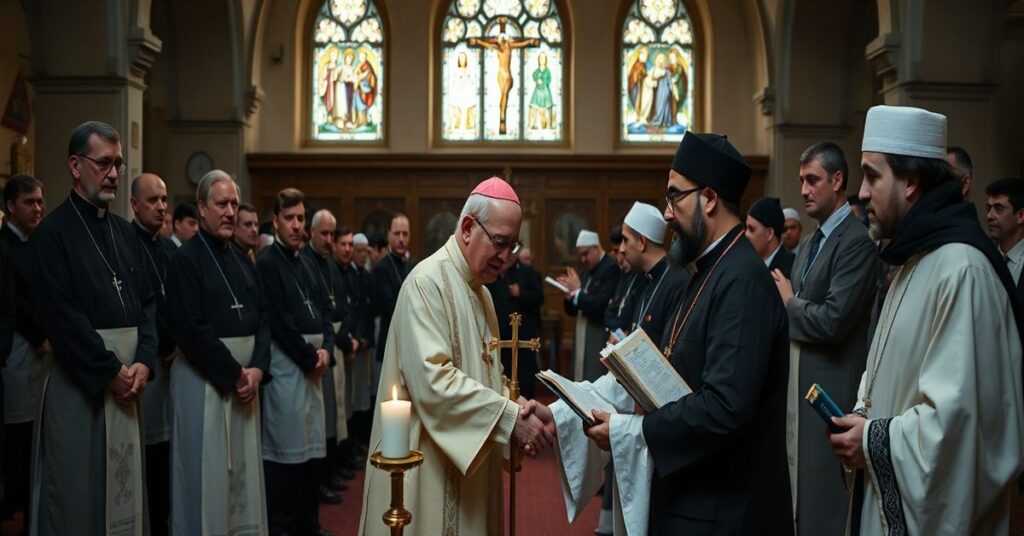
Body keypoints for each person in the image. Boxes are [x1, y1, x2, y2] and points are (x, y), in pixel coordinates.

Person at [524, 132, 793, 535]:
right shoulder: (694, 272)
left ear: (709, 198)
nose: (666, 214)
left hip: (727, 511)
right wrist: (563, 410)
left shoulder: (742, 281)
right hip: (691, 496)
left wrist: (628, 430)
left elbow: (725, 408)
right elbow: (650, 373)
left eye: (674, 197)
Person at [829, 105, 1024, 535]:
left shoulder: (962, 270)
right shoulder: (913, 260)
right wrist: (862, 415)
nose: (861, 193)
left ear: (911, 182)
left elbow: (959, 432)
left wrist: (871, 440)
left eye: (872, 175)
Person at [357, 177, 552, 536]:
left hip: (473, 468)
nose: (506, 257)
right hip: (428, 468)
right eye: (499, 243)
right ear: (467, 228)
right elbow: (434, 382)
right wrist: (509, 418)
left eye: (513, 246)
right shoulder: (425, 283)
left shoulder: (483, 294)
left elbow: (485, 379)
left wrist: (518, 406)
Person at [31, 121, 157, 535]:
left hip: (127, 384)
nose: (114, 174)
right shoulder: (52, 235)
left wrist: (143, 362)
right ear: (74, 164)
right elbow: (62, 319)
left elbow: (148, 304)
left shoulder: (125, 233)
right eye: (104, 163)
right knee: (77, 500)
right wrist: (109, 372)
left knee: (124, 501)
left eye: (118, 164)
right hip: (80, 385)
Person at [769, 142, 879, 535]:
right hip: (801, 386)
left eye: (812, 180)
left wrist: (789, 303)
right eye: (801, 181)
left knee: (826, 504)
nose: (804, 190)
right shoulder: (811, 242)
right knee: (799, 499)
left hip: (831, 390)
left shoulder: (857, 242)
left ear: (837, 181)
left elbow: (833, 321)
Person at [166, 169, 271, 534]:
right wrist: (235, 374)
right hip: (204, 383)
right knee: (203, 475)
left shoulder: (244, 260)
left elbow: (263, 318)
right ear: (201, 208)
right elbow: (191, 328)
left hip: (244, 385)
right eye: (221, 204)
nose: (229, 212)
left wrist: (257, 368)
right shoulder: (185, 260)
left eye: (234, 204)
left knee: (242, 478)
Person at [257, 188, 335, 536]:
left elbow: (325, 311)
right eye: (289, 218)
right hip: (289, 369)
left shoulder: (307, 260)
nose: (296, 225)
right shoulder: (268, 263)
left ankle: (309, 525)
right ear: (275, 221)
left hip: (314, 368)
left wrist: (328, 351)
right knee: (286, 458)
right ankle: (286, 528)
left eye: (301, 218)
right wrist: (311, 358)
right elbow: (279, 322)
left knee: (312, 455)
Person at [129, 173, 178, 536]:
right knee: (143, 455)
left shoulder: (170, 249)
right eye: (152, 200)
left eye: (164, 200)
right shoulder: (125, 245)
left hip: (174, 365)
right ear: (133, 205)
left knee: (166, 455)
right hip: (144, 366)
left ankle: (163, 523)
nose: (162, 207)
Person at [0, 175, 45, 524]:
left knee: (37, 434)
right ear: (10, 206)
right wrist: (41, 336)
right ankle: (14, 510)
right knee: (16, 435)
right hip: (18, 349)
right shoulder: (4, 247)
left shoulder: (39, 243)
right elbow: (12, 301)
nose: (38, 207)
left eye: (40, 201)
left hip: (43, 352)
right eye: (29, 202)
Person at [302, 209, 350, 505]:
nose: (330, 240)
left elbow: (336, 306)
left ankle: (329, 473)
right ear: (312, 232)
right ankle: (317, 482)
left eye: (333, 234)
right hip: (314, 353)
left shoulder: (329, 265)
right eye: (325, 234)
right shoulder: (306, 262)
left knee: (333, 414)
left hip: (329, 347)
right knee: (319, 421)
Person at [619, 201, 689, 346]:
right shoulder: (643, 277)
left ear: (642, 242)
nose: (621, 249)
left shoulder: (679, 281)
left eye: (625, 240)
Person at [558, 229, 620, 381]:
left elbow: (599, 305)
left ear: (596, 247)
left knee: (594, 377)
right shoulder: (586, 272)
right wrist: (569, 296)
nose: (583, 259)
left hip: (598, 335)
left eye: (586, 254)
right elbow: (573, 311)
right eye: (580, 256)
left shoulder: (611, 268)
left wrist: (578, 292)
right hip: (581, 333)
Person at [485, 246, 544, 399]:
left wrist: (521, 293)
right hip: (498, 338)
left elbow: (539, 298)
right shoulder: (492, 272)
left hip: (522, 337)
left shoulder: (528, 272)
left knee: (524, 382)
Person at [333, 227, 367, 477]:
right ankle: (339, 460)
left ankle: (348, 451)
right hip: (340, 346)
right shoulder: (333, 271)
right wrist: (348, 342)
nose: (347, 249)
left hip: (351, 343)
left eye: (349, 245)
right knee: (340, 405)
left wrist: (355, 340)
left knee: (351, 401)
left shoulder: (353, 274)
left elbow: (353, 310)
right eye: (343, 245)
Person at [373, 213, 411, 363]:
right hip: (390, 340)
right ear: (389, 236)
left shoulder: (411, 266)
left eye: (405, 234)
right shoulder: (382, 268)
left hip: (410, 342)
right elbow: (390, 308)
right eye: (397, 234)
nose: (401, 239)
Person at [985, 178, 1024, 302]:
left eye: (998, 208)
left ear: (1021, 216)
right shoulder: (983, 255)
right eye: (989, 208)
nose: (989, 216)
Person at [604, 225, 642, 341]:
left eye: (617, 251)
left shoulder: (641, 277)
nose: (617, 257)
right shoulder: (623, 275)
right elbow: (610, 311)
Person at [745, 196, 795, 278]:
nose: (746, 234)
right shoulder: (750, 264)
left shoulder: (792, 266)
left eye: (751, 229)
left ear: (770, 234)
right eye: (746, 228)